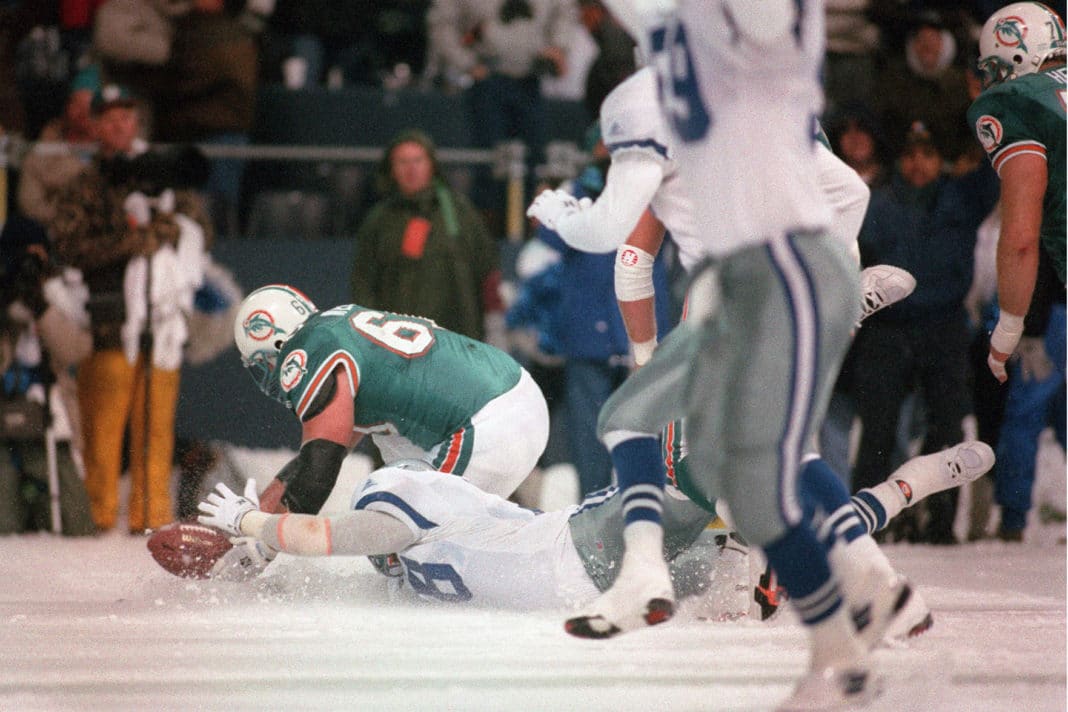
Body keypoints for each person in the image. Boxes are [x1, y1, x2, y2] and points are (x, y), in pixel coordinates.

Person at [527, 2, 896, 707]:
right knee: (762, 476)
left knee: (637, 417)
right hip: (798, 273)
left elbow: (616, 241)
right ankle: (857, 619)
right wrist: (838, 274)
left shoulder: (646, 100)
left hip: (751, 284)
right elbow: (851, 191)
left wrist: (555, 212)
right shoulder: (769, 78)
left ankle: (647, 573)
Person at [198, 440, 992, 622]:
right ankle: (890, 495)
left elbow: (338, 545)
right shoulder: (413, 504)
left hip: (588, 563)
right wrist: (254, 526)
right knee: (724, 492)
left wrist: (253, 533)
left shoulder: (408, 530)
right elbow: (338, 540)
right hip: (583, 553)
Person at [228, 285, 549, 528]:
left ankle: (530, 543)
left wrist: (263, 541)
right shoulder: (336, 325)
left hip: (487, 421)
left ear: (279, 344)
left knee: (393, 527)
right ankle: (514, 532)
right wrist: (255, 515)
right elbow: (317, 458)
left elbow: (319, 468)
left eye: (264, 362)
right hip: (508, 394)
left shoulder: (307, 352)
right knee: (392, 476)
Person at [50, 84, 212, 533]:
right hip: (107, 322)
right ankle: (96, 516)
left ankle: (150, 515)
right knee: (102, 429)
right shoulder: (85, 184)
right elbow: (69, 245)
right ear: (96, 126)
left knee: (158, 426)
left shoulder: (164, 178)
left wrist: (167, 229)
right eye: (111, 117)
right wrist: (136, 241)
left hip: (160, 327)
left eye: (128, 116)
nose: (121, 125)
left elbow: (200, 232)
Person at [848, 121, 1000, 545]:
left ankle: (940, 523)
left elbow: (999, 166)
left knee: (948, 425)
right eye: (911, 154)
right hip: (887, 329)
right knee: (876, 431)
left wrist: (987, 107)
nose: (919, 164)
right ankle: (863, 525)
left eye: (929, 154)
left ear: (942, 160)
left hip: (944, 326)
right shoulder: (876, 203)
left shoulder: (963, 197)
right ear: (899, 159)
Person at [967, 3, 1065, 384]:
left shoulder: (1017, 103)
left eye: (994, 67)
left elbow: (1022, 238)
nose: (993, 80)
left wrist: (1008, 327)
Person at [425, 0, 579, 235]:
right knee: (489, 164)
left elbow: (566, 12)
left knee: (535, 163)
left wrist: (558, 46)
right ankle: (485, 236)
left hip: (531, 78)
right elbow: (441, 23)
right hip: (486, 79)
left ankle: (532, 233)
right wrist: (466, 62)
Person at [350, 129, 504, 345]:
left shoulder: (459, 212)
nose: (411, 169)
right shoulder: (379, 220)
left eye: (418, 160)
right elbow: (363, 282)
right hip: (396, 343)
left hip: (457, 342)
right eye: (403, 162)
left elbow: (487, 268)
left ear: (432, 165)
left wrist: (493, 327)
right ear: (391, 170)